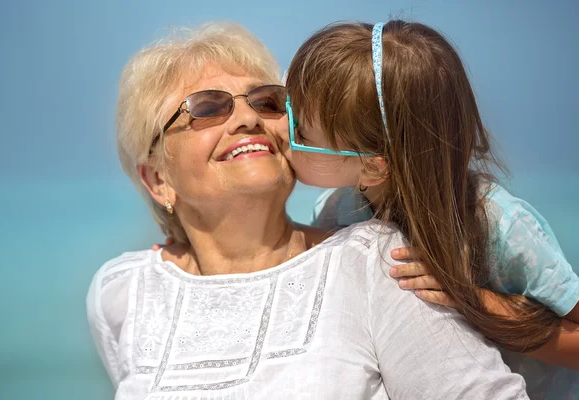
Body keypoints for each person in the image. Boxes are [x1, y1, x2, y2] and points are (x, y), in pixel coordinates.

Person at [87, 22, 529, 399]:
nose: (247, 119)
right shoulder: (123, 291)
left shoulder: (377, 261)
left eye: (267, 102)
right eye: (207, 107)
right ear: (157, 180)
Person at [281, 20, 579, 398]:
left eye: (299, 130)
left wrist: (473, 301)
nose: (279, 130)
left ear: (373, 166)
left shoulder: (499, 225)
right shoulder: (339, 211)